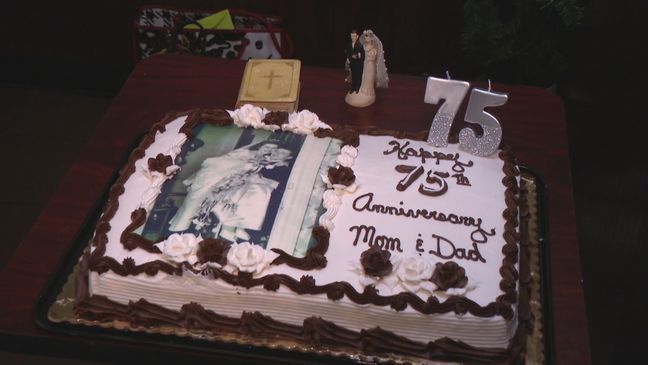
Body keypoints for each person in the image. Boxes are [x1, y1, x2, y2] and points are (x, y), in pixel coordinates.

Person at [168, 140, 292, 243]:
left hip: (236, 182)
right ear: (260, 146)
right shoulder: (246, 152)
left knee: (253, 194)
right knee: (199, 197)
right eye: (267, 147)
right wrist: (245, 167)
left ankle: (236, 226)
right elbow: (222, 163)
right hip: (215, 176)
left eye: (272, 149)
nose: (268, 150)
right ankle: (181, 229)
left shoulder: (265, 161)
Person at [345, 30, 389, 107]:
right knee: (362, 77)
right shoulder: (363, 46)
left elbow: (371, 58)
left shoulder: (373, 49)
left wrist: (367, 58)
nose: (366, 38)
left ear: (371, 38)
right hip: (363, 65)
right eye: (365, 36)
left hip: (369, 66)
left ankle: (368, 93)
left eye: (368, 36)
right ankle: (359, 89)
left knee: (368, 78)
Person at [345, 29, 364, 94]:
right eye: (352, 36)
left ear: (357, 36)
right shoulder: (349, 44)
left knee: (358, 75)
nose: (353, 37)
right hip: (352, 63)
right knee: (353, 75)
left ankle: (358, 87)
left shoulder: (360, 45)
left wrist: (356, 56)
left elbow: (362, 55)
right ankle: (353, 87)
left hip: (358, 64)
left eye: (354, 36)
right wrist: (349, 57)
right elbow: (347, 52)